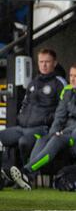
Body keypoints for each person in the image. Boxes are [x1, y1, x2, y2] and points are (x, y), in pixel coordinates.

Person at [9, 62, 76, 190]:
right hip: (66, 132)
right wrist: (53, 131)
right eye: (71, 75)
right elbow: (59, 116)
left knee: (58, 138)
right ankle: (29, 177)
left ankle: (27, 172)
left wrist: (63, 132)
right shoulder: (67, 90)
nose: (72, 79)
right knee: (43, 138)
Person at [0, 49, 66, 184]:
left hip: (41, 128)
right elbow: (25, 103)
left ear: (55, 63)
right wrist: (21, 117)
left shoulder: (59, 82)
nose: (44, 65)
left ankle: (25, 176)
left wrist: (48, 120)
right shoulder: (33, 82)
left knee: (24, 141)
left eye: (47, 62)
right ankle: (5, 174)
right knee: (2, 136)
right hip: (22, 127)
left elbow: (63, 108)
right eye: (41, 62)